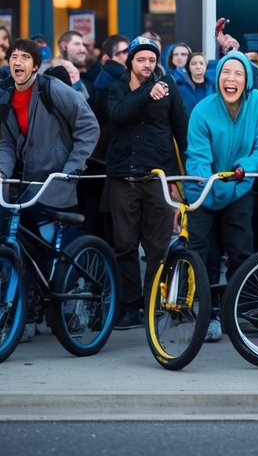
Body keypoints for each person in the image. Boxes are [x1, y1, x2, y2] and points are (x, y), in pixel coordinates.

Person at [183, 51, 258, 343]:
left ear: (246, 80)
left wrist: (242, 170)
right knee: (202, 254)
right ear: (217, 77)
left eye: (238, 73)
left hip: (239, 188)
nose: (230, 79)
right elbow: (197, 159)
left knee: (240, 251)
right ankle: (206, 314)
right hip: (204, 192)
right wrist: (214, 187)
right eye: (225, 73)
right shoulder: (202, 111)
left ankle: (233, 310)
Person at [105, 36, 189, 331]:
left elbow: (182, 131)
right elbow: (117, 114)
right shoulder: (116, 87)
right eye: (141, 59)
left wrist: (180, 179)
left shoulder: (168, 87)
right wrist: (145, 93)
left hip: (157, 178)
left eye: (152, 60)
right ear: (130, 61)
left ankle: (152, 302)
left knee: (157, 247)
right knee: (125, 245)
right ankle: (129, 306)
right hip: (122, 178)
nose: (147, 64)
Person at [0, 38, 100, 218]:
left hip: (57, 183)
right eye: (14, 57)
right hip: (25, 183)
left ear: (36, 66)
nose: (18, 62)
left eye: (25, 57)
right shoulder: (5, 97)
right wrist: (2, 172)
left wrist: (72, 169)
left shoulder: (52, 88)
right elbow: (6, 142)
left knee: (53, 243)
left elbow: (89, 126)